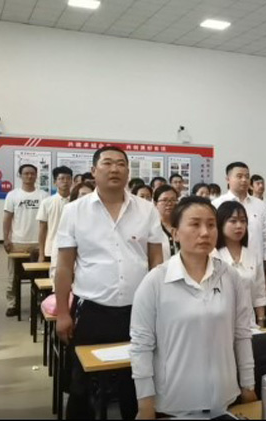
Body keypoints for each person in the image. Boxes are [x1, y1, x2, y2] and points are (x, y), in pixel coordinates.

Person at [54, 146, 164, 419]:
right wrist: (63, 313)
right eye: (107, 163)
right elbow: (64, 266)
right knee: (81, 384)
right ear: (94, 171)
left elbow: (156, 261)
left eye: (121, 164)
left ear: (128, 171)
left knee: (136, 383)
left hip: (137, 311)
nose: (114, 169)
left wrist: (160, 308)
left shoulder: (146, 210)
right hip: (91, 310)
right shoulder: (74, 211)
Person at [131, 197, 256, 419]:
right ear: (175, 233)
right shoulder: (156, 281)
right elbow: (141, 346)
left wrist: (248, 385)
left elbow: (242, 335)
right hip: (174, 403)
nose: (205, 232)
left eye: (211, 225)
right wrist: (145, 403)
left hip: (224, 400)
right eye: (195, 224)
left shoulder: (230, 276)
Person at [212, 162, 266, 290]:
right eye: (239, 176)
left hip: (255, 269)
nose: (244, 180)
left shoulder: (259, 205)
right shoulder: (217, 204)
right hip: (225, 267)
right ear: (228, 179)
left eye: (247, 176)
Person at [3, 164, 49, 317]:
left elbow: (47, 221)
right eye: (26, 173)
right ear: (20, 175)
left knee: (41, 275)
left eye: (32, 173)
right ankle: (12, 304)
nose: (29, 176)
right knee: (13, 276)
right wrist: (6, 238)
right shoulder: (12, 195)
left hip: (39, 243)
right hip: (18, 243)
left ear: (36, 176)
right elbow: (7, 218)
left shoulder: (44, 195)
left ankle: (41, 302)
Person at [217, 201, 266, 327]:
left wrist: (261, 320)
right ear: (221, 224)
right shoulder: (214, 256)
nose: (239, 226)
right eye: (233, 221)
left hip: (248, 323)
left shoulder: (252, 255)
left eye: (243, 221)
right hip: (221, 324)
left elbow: (259, 293)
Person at [37, 166, 73, 263]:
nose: (65, 181)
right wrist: (41, 253)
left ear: (72, 181)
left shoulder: (77, 201)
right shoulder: (46, 202)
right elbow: (42, 229)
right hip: (51, 248)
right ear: (55, 182)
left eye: (68, 178)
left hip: (72, 248)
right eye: (61, 178)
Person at [154, 185, 179, 261]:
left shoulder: (182, 225)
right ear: (155, 203)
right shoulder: (152, 228)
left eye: (173, 200)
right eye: (164, 200)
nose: (169, 203)